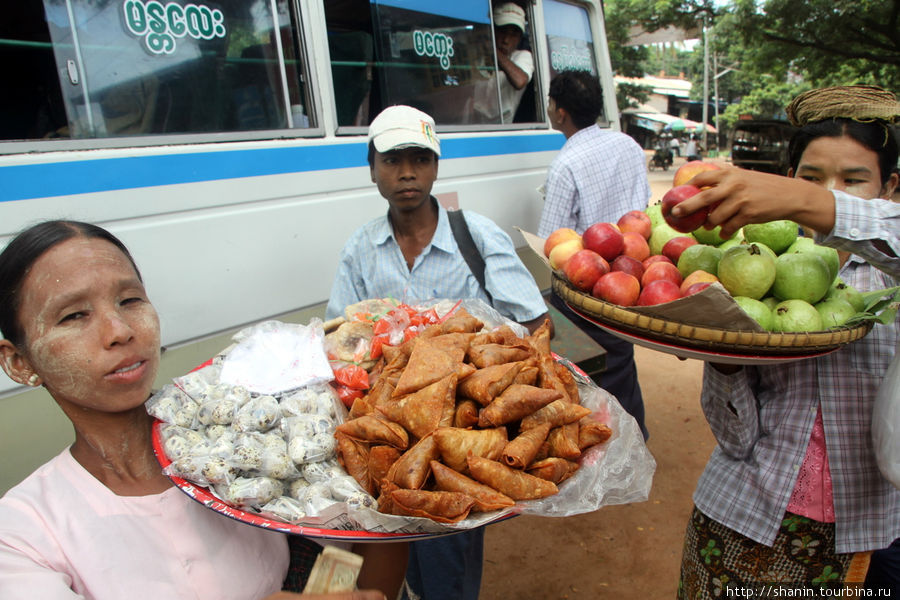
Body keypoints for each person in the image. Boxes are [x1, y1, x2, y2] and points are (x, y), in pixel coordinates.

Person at [0, 220, 405, 600]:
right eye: (74, 315)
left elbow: (360, 555)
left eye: (129, 300)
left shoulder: (251, 441)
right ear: (19, 362)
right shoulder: (21, 532)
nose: (120, 330)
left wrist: (407, 503)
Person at [669, 85, 900, 596]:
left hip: (869, 534)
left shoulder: (890, 280)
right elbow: (736, 440)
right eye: (811, 178)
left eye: (853, 180)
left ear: (890, 190)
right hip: (742, 516)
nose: (832, 192)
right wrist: (725, 358)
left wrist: (812, 202)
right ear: (790, 178)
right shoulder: (750, 267)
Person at [325, 104, 552, 600]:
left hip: (460, 432)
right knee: (379, 539)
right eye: (392, 160)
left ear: (435, 166)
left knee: (447, 555)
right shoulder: (361, 249)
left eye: (420, 158)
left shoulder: (475, 235)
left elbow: (534, 325)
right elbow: (342, 339)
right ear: (372, 168)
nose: (407, 172)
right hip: (385, 427)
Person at [537, 69, 651, 439]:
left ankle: (600, 439)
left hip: (587, 283)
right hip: (632, 271)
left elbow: (549, 242)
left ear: (559, 111)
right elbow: (642, 212)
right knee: (620, 351)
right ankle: (634, 433)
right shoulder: (629, 145)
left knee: (584, 365)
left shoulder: (566, 164)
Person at [472, 2, 534, 124]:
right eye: (502, 32)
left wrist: (493, 50)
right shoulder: (479, 56)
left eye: (513, 35)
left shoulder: (522, 57)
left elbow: (520, 80)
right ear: (493, 31)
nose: (506, 40)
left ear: (520, 38)